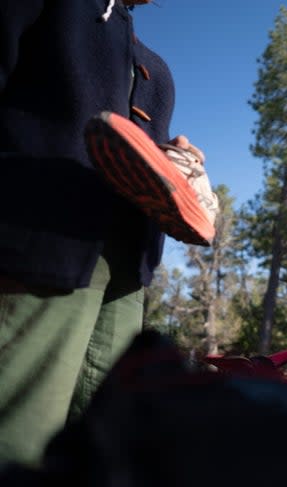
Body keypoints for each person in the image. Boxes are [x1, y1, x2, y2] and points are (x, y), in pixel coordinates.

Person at [0, 0, 213, 466]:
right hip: (41, 244)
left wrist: (176, 163)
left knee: (101, 448)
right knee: (20, 437)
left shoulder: (157, 69)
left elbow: (135, 152)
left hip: (127, 274)